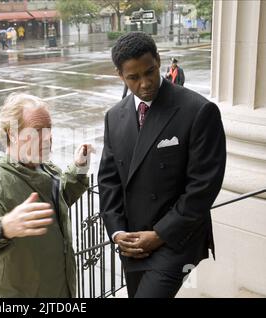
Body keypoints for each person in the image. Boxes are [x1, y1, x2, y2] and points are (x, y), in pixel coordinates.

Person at [98, 32, 226, 298]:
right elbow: (109, 180)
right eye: (133, 77)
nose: (145, 83)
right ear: (119, 75)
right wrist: (117, 232)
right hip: (133, 240)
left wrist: (159, 234)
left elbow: (203, 186)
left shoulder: (199, 110)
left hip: (177, 238)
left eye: (150, 71)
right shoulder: (114, 117)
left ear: (158, 61)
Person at [0, 93, 93, 297]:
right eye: (38, 131)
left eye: (49, 130)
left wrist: (79, 168)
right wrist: (3, 227)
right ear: (12, 134)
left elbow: (58, 200)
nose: (48, 138)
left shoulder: (42, 167)